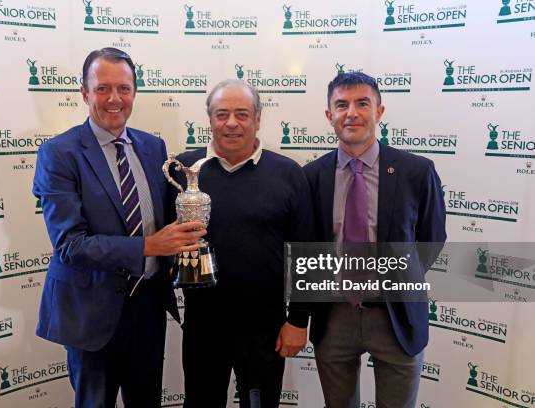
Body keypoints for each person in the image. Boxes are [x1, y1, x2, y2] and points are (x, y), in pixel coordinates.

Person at [32, 47, 205, 408]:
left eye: (124, 89)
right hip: (91, 312)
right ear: (84, 93)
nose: (115, 99)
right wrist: (148, 246)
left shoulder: (153, 147)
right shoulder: (59, 153)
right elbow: (70, 245)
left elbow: (161, 218)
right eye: (103, 88)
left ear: (134, 93)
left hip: (147, 307)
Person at [303, 72, 446, 408]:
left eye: (362, 103)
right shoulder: (312, 176)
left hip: (396, 317)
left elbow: (432, 238)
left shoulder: (416, 171)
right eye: (341, 105)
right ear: (330, 116)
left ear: (379, 112)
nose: (351, 112)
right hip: (334, 316)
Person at [169, 79, 313, 408]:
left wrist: (298, 320)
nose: (231, 122)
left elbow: (307, 251)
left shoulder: (289, 174)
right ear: (210, 119)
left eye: (242, 114)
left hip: (266, 330)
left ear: (258, 119)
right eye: (222, 114)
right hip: (203, 329)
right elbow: (165, 243)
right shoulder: (183, 172)